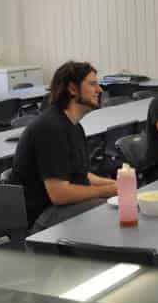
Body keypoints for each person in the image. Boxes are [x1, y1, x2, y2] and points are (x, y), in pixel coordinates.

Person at [13, 61, 118, 232]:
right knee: (109, 212)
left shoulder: (74, 126)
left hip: (63, 207)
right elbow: (59, 194)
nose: (99, 90)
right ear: (73, 89)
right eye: (92, 84)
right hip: (43, 216)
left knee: (116, 205)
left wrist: (116, 184)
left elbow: (82, 175)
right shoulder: (50, 128)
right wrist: (107, 191)